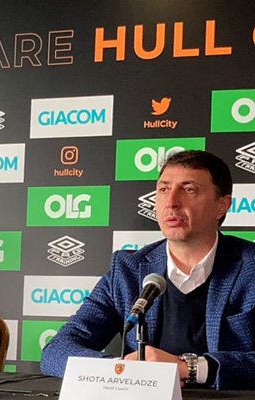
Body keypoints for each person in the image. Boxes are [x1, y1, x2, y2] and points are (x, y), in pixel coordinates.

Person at [41, 150, 255, 390]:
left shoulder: (250, 267)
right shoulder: (128, 269)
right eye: (163, 189)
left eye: (189, 189)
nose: (171, 202)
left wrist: (189, 368)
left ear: (221, 205)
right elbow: (56, 350)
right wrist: (121, 369)